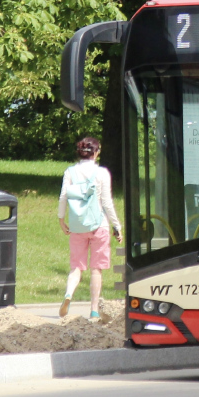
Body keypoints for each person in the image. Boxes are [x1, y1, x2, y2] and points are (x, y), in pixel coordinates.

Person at [58, 136, 122, 320]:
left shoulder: (70, 172)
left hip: (77, 226)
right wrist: (116, 225)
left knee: (76, 267)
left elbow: (63, 197)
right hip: (99, 225)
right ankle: (94, 310)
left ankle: (68, 294)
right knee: (96, 268)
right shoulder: (102, 173)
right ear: (96, 153)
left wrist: (61, 220)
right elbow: (107, 203)